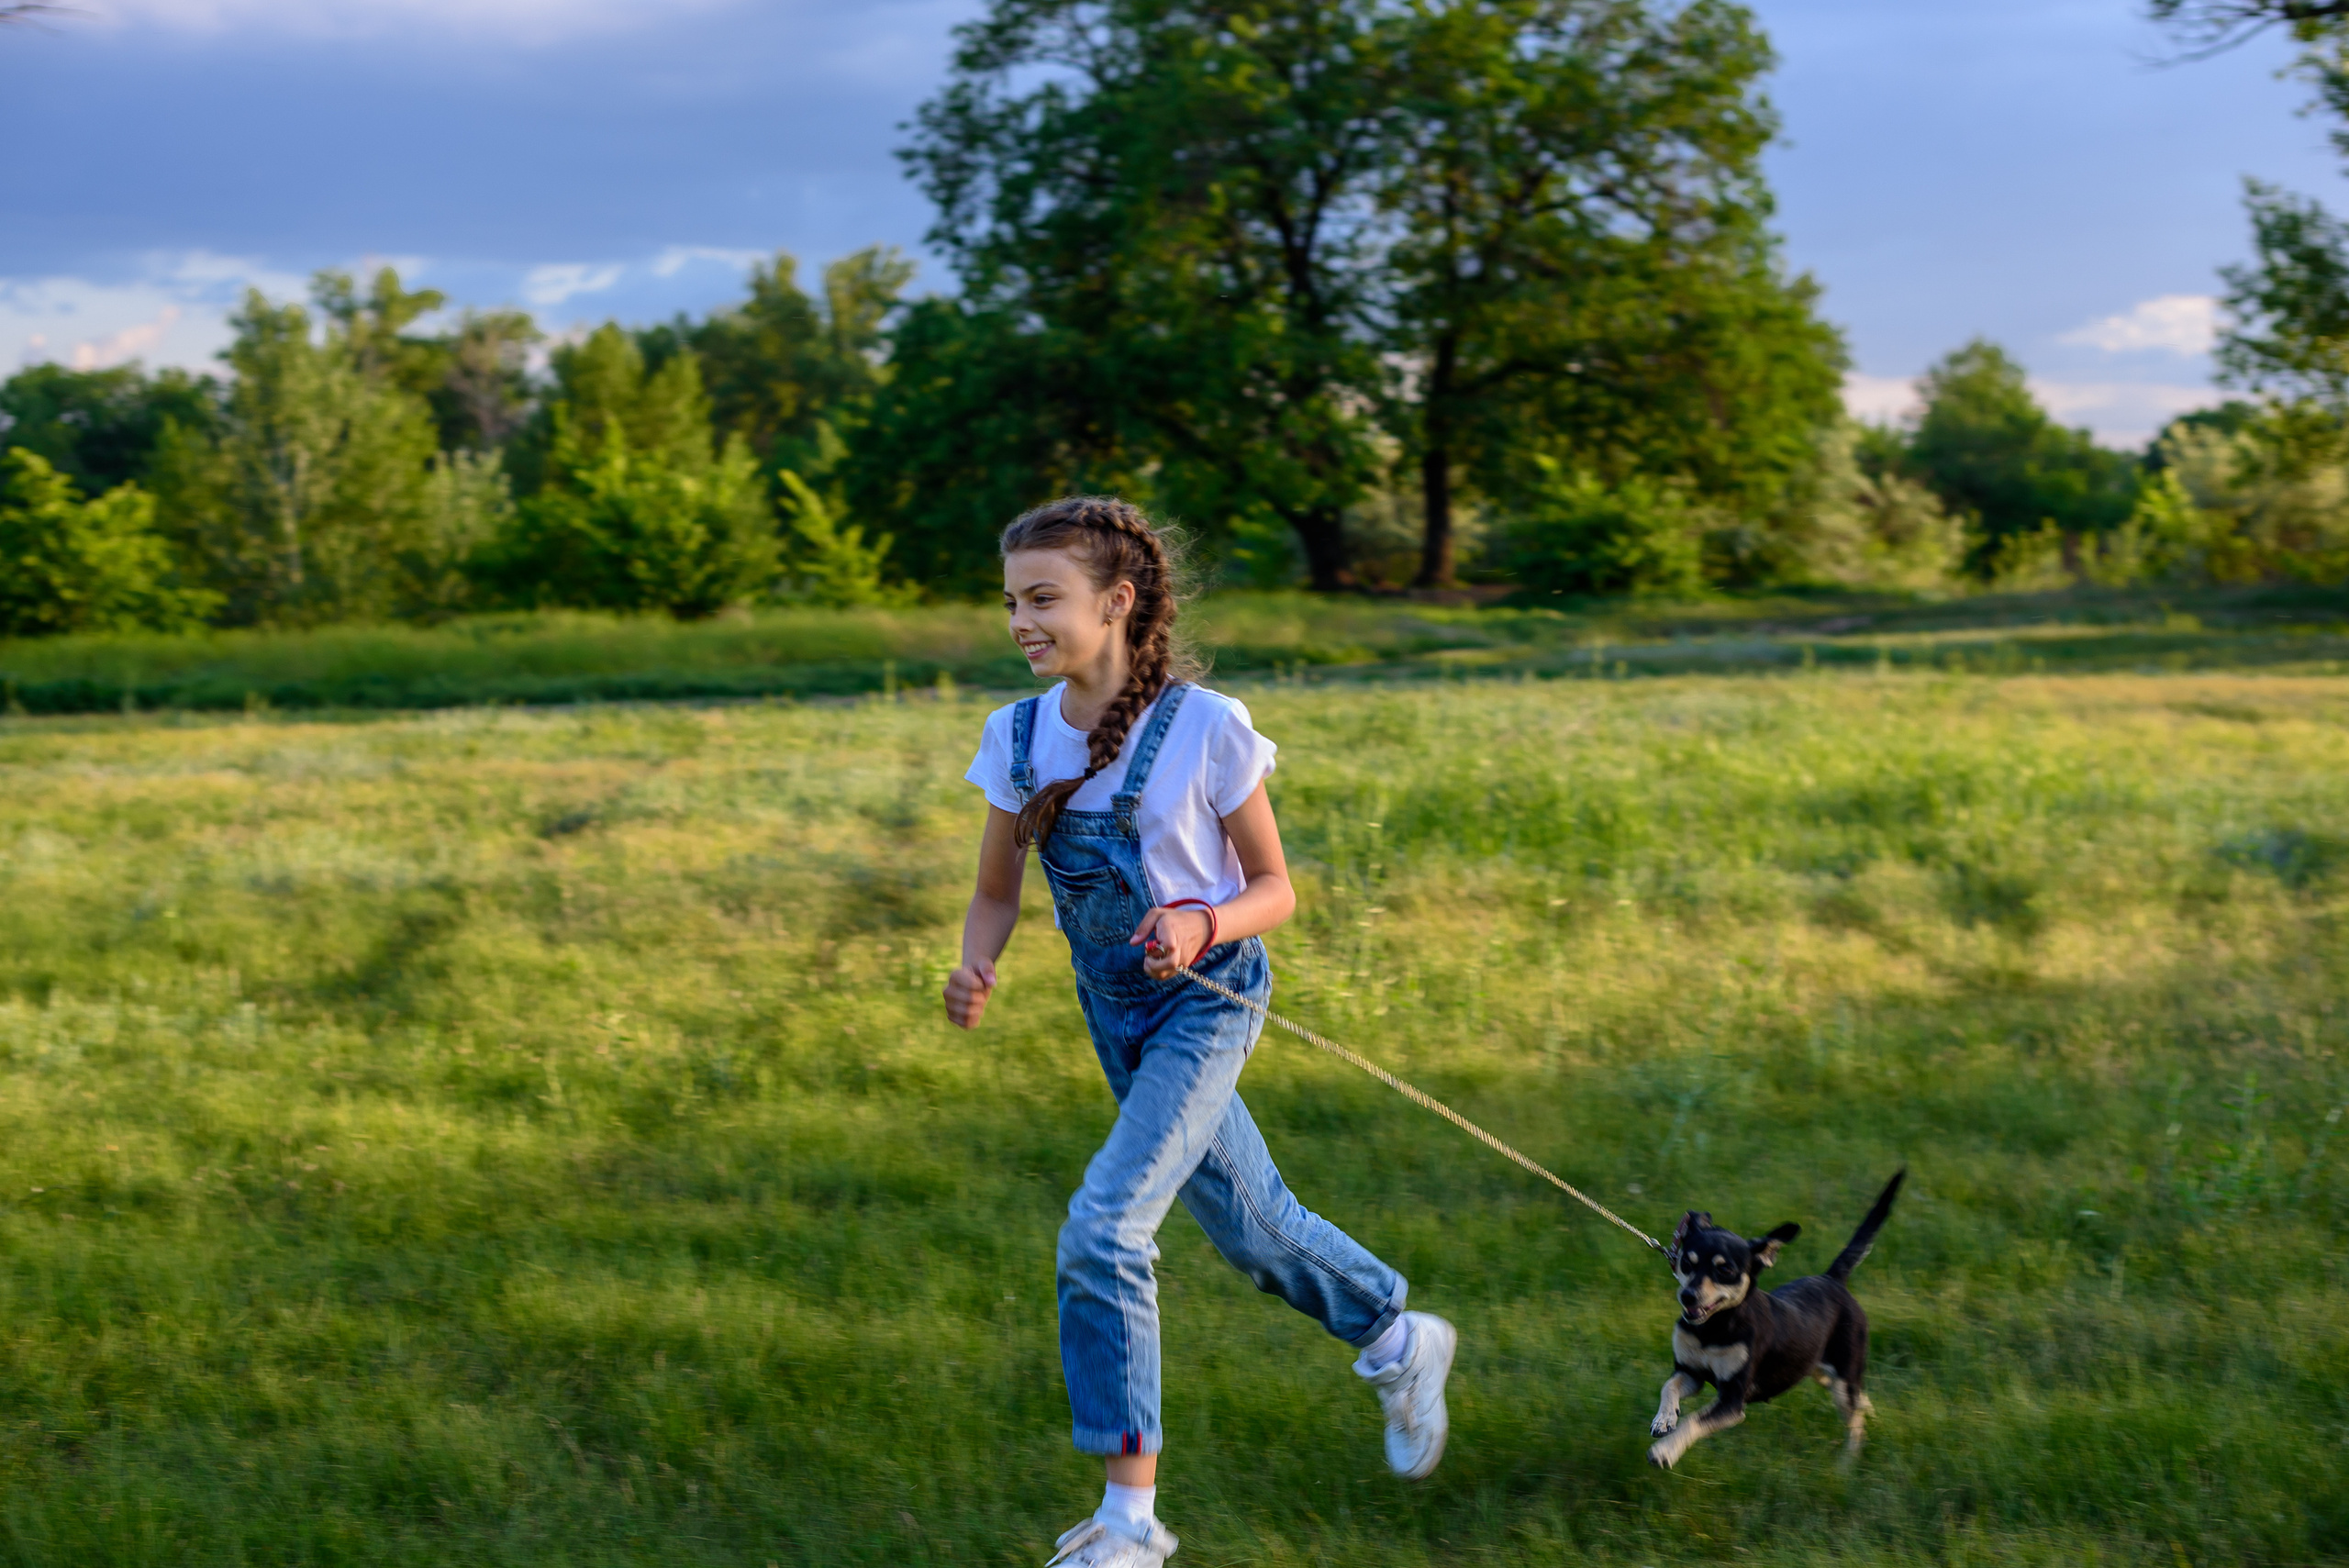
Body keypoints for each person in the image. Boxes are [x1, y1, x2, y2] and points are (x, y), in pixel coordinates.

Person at [943, 496, 1456, 1568]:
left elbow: (1275, 888)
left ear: (1117, 602)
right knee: (1253, 1226)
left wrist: (1201, 918)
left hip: (1208, 997)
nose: (1019, 620)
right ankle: (1399, 1336)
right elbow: (996, 888)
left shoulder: (1209, 726)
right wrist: (975, 958)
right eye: (1010, 601)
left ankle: (1130, 1523)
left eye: (1044, 598)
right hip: (1113, 1011)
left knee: (1105, 1226)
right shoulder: (1017, 734)